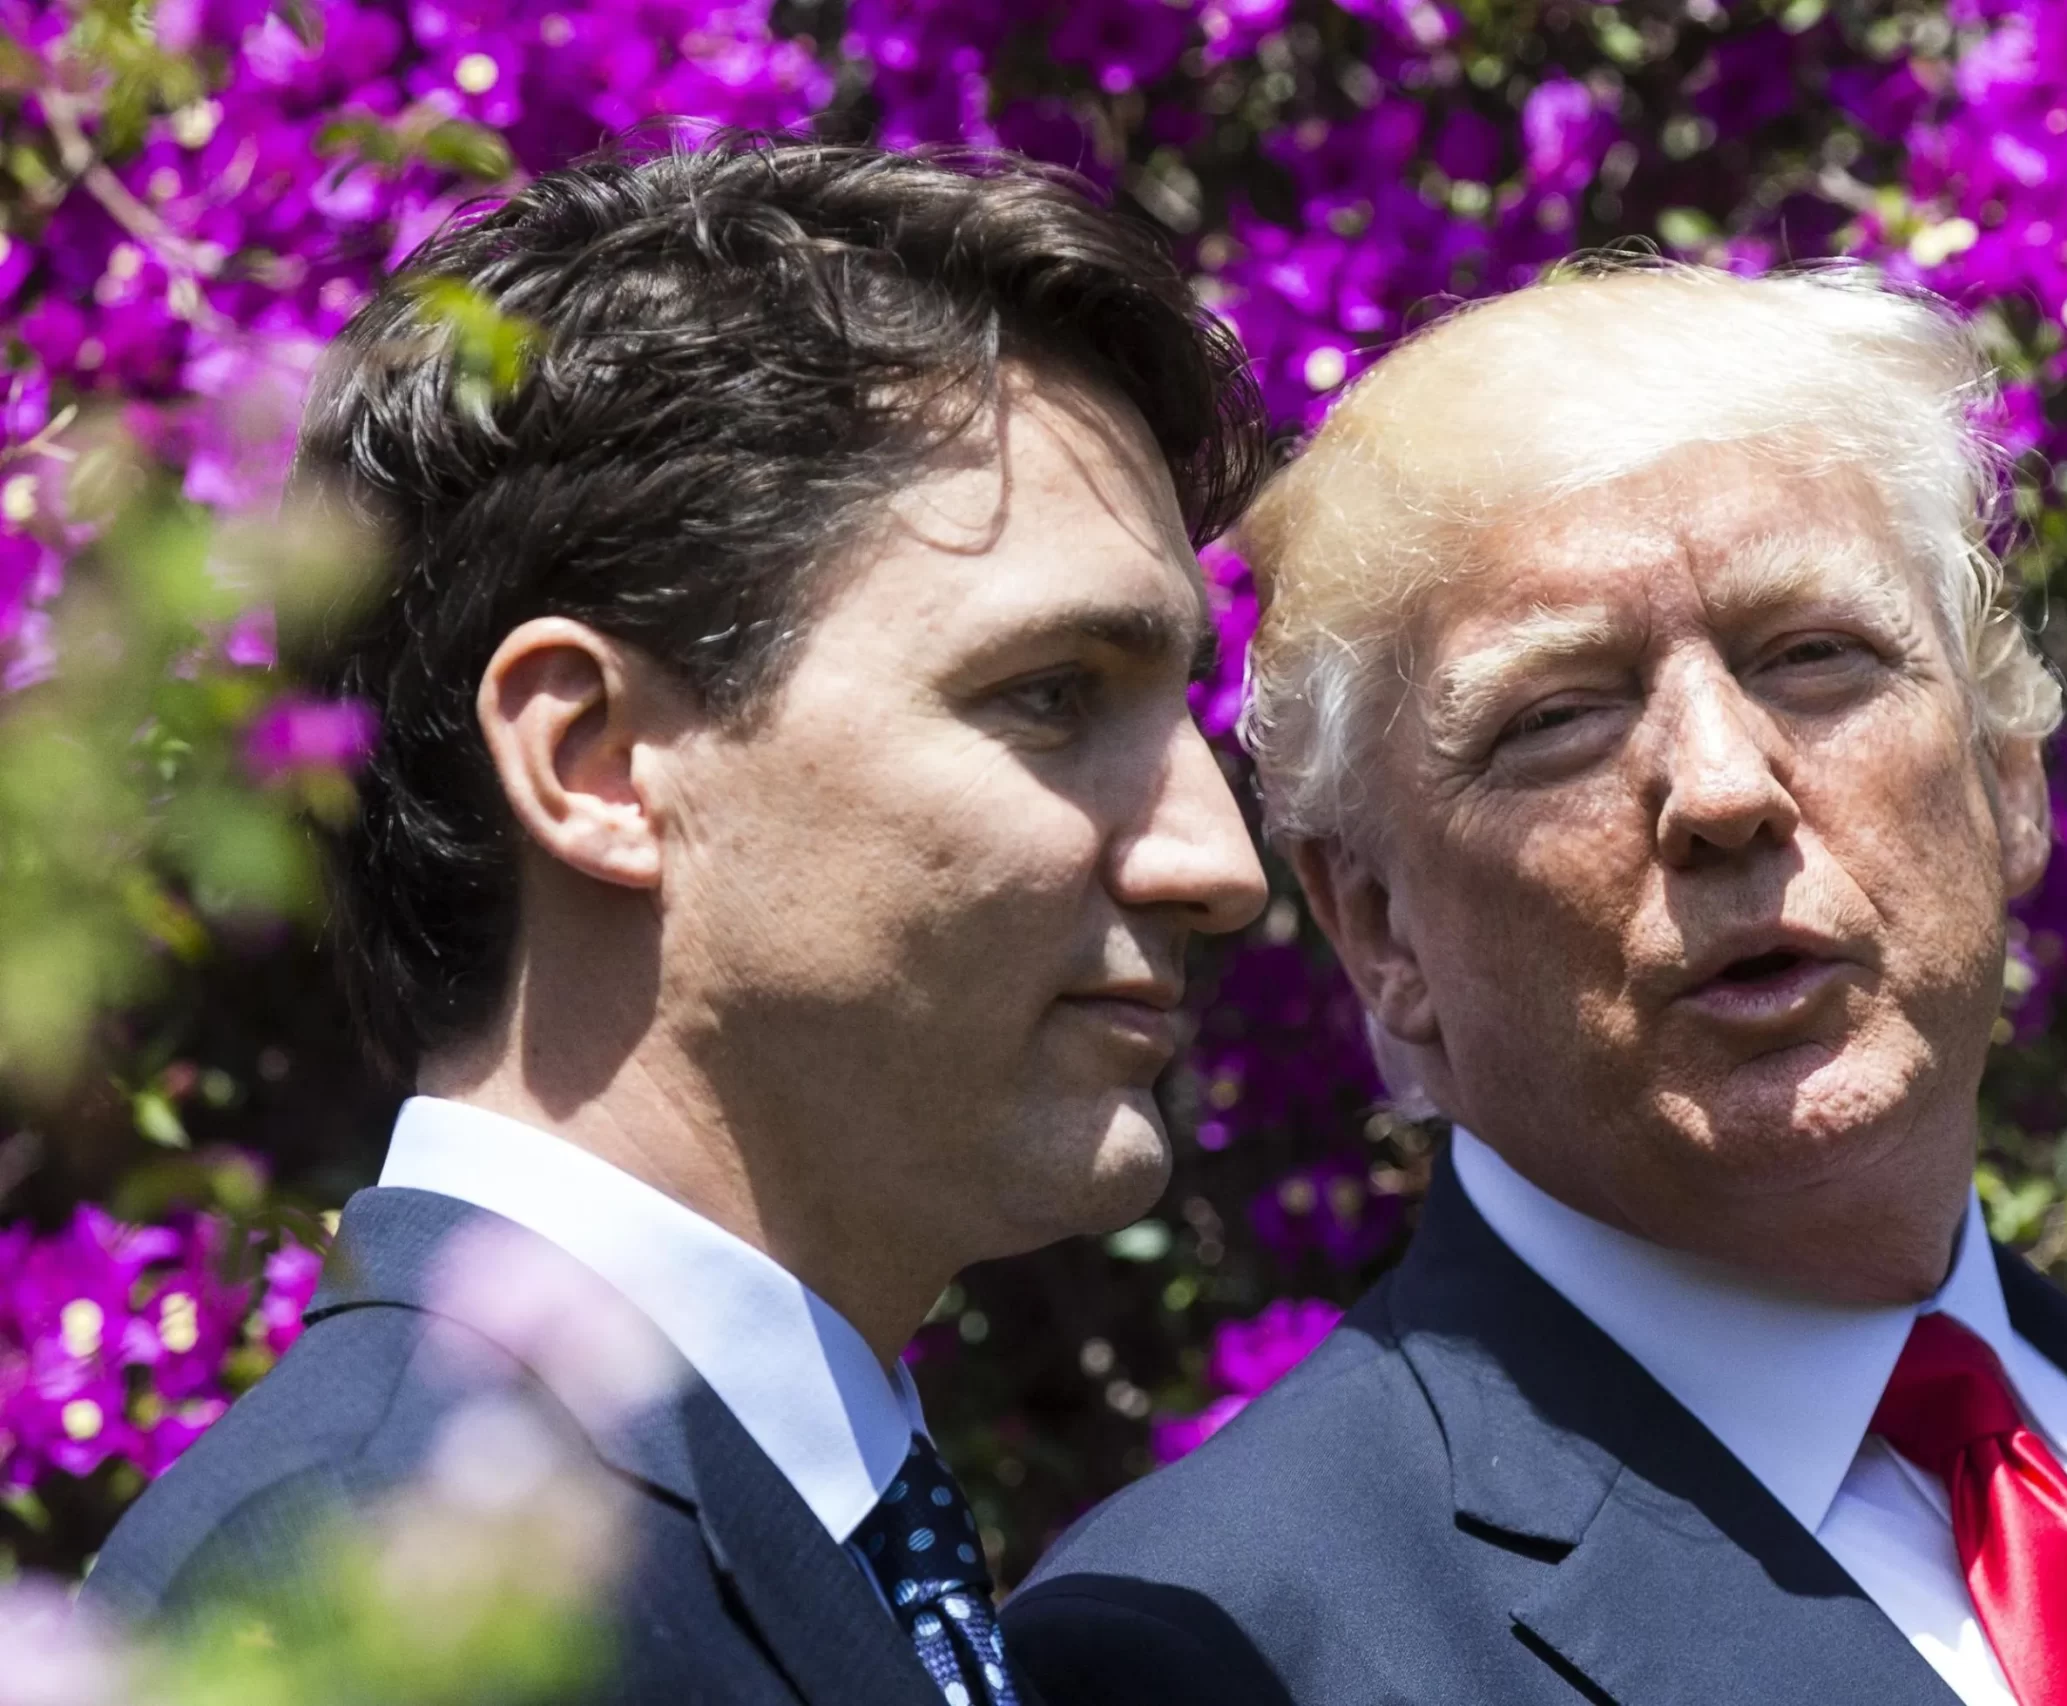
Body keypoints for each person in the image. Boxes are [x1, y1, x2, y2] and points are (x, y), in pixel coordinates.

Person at [1002, 262, 2067, 1706]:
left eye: (1814, 653)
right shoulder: (1226, 1645)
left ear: (2008, 776)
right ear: (1376, 926)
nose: (1723, 786)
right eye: (1555, 716)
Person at [88, 136, 1269, 1706]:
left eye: (1181, 707)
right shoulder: (375, 1603)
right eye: (1051, 696)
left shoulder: (732, 1538)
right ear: (597, 763)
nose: (1219, 861)